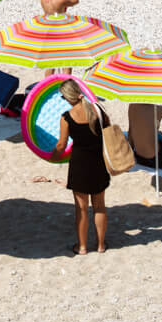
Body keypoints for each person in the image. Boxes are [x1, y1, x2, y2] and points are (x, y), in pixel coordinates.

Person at [53, 82, 108, 254]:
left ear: (67, 97)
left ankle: (82, 247)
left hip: (80, 164)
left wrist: (51, 157)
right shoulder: (98, 110)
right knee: (99, 206)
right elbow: (107, 130)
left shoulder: (66, 117)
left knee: (81, 208)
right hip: (99, 162)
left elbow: (61, 145)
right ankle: (100, 245)